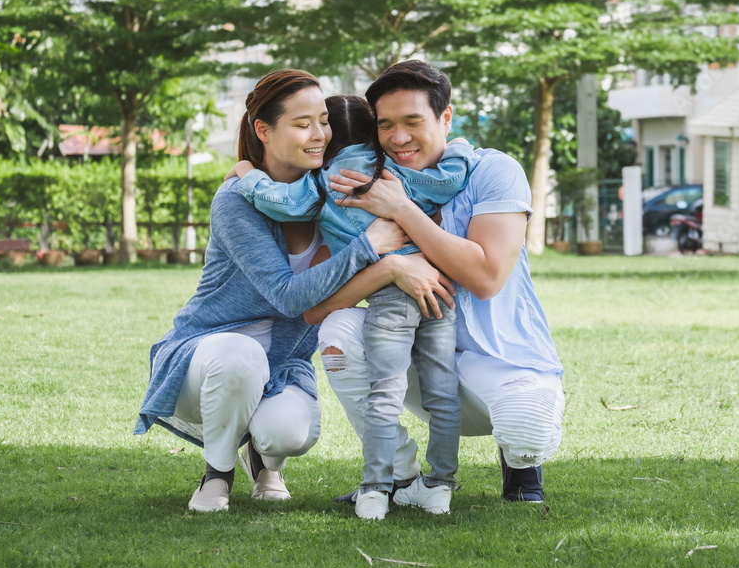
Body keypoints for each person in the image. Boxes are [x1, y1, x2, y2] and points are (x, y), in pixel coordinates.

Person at [133, 69, 450, 512]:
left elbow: (325, 305)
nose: (320, 134)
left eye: (324, 121)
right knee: (238, 356)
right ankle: (217, 474)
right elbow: (288, 297)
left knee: (291, 432)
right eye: (303, 124)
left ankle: (264, 460)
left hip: (280, 365)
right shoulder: (237, 200)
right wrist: (373, 250)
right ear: (263, 130)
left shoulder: (333, 202)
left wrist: (393, 262)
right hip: (204, 356)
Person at [307, 61, 565, 503]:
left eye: (413, 122)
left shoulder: (493, 170)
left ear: (445, 118)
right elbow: (316, 307)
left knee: (526, 429)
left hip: (499, 362)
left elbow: (486, 277)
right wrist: (388, 268)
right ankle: (399, 476)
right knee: (336, 334)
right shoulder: (363, 185)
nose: (399, 137)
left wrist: (402, 210)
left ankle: (520, 462)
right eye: (385, 125)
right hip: (416, 359)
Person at [229, 95, 478, 519]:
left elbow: (281, 203)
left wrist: (246, 174)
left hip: (391, 296)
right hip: (437, 289)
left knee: (384, 392)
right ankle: (438, 489)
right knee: (442, 393)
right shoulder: (396, 172)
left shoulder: (325, 181)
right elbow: (448, 180)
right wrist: (461, 148)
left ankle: (376, 491)